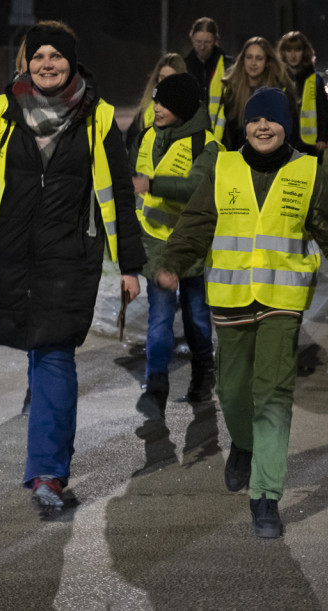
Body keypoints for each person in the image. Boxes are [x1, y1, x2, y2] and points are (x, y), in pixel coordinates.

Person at [151, 87, 328, 538]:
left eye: (271, 120)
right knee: (231, 392)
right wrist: (170, 262)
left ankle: (266, 496)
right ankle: (244, 447)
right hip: (230, 302)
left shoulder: (307, 173)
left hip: (281, 305)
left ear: (285, 126)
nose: (262, 127)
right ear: (244, 126)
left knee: (272, 395)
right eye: (254, 121)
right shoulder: (224, 166)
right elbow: (195, 224)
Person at [0, 21, 146, 510]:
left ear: (71, 62)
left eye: (56, 55)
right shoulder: (4, 110)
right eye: (38, 55)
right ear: (27, 62)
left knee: (53, 356)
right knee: (36, 353)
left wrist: (131, 264)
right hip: (15, 256)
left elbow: (119, 197)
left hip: (70, 257)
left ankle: (48, 473)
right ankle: (45, 444)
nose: (47, 63)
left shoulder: (98, 117)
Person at [129, 72, 219, 420]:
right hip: (153, 245)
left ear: (181, 107)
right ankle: (156, 387)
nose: (156, 107)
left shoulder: (208, 147)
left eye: (163, 102)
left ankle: (202, 378)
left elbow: (195, 189)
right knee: (160, 318)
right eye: (155, 100)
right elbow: (130, 193)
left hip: (190, 245)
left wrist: (151, 183)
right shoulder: (146, 138)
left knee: (197, 318)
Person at [218, 36, 297, 152]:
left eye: (259, 58)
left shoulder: (280, 93)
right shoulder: (232, 90)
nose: (253, 63)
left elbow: (290, 132)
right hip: (238, 159)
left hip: (270, 158)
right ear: (243, 60)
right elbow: (229, 133)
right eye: (249, 57)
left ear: (267, 62)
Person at [277, 31, 328, 164]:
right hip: (284, 143)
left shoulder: (315, 79)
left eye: (297, 50)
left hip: (309, 144)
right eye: (289, 50)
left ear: (304, 52)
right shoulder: (278, 79)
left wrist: (323, 138)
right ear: (283, 53)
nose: (293, 55)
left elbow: (324, 111)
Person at [183, 17, 233, 141]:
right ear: (191, 38)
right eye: (198, 42)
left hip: (223, 134)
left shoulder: (228, 65)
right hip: (190, 134)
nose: (202, 46)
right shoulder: (183, 66)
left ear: (215, 40)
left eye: (208, 42)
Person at [125, 52, 188, 150]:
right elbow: (131, 144)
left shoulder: (189, 111)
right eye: (162, 77)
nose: (165, 83)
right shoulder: (145, 110)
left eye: (171, 78)